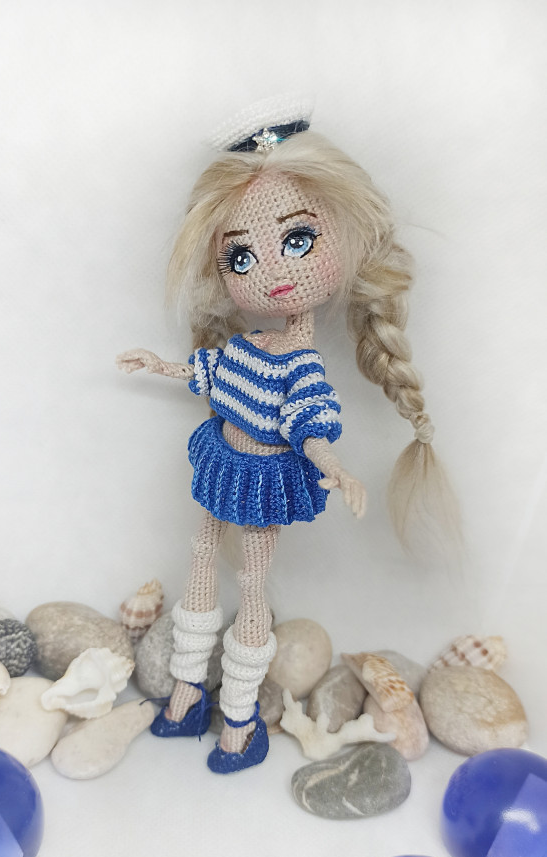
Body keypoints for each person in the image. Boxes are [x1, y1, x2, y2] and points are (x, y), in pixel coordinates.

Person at [117, 100, 452, 774]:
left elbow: (308, 421)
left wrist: (334, 464)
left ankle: (239, 717)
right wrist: (161, 366)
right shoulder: (250, 345)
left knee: (253, 582)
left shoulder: (301, 364)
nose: (271, 272)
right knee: (202, 557)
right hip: (223, 460)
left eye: (298, 241)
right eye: (240, 255)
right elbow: (213, 373)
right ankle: (186, 693)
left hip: (265, 475)